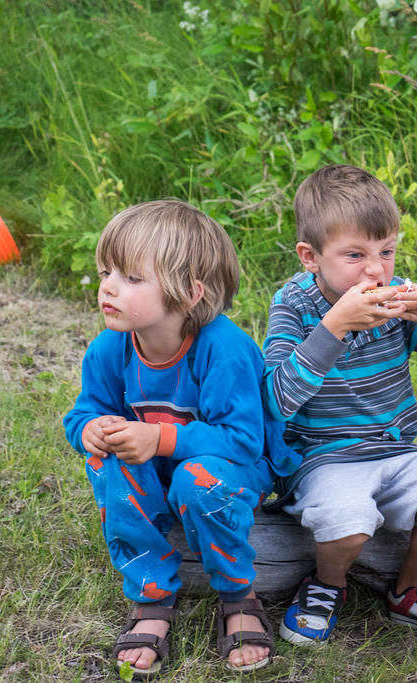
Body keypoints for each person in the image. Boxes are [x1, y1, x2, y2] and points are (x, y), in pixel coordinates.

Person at [262, 164, 417, 647]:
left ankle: (409, 589)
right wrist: (335, 326)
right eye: (355, 254)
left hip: (392, 452)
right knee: (348, 523)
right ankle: (327, 585)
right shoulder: (295, 305)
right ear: (311, 256)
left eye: (386, 251)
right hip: (318, 459)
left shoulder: (397, 306)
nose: (376, 270)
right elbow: (277, 398)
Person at [63, 200, 301, 678]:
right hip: (158, 461)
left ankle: (237, 594)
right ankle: (151, 597)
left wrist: (160, 439)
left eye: (131, 278)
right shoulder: (111, 346)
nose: (108, 287)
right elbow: (86, 411)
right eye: (107, 271)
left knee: (199, 477)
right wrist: (89, 430)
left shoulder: (223, 349)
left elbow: (242, 442)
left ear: (190, 293)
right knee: (108, 460)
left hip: (232, 463)